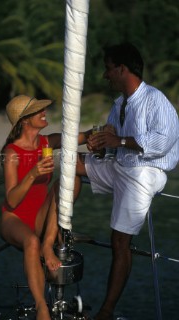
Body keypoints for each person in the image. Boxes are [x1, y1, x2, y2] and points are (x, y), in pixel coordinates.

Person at [76, 42, 179, 320]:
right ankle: (59, 231)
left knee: (119, 241)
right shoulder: (119, 104)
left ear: (122, 69)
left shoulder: (156, 99)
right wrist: (102, 146)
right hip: (119, 165)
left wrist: (118, 140)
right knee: (71, 163)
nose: (105, 75)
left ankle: (106, 311)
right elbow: (112, 145)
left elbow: (163, 141)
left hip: (145, 172)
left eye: (108, 69)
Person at [0, 95, 89, 320]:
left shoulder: (46, 143)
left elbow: (77, 137)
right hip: (14, 218)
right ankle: (41, 307)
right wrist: (33, 173)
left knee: (71, 179)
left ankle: (47, 244)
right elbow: (11, 200)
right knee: (30, 241)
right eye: (38, 111)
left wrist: (97, 135)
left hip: (41, 216)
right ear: (24, 121)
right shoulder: (12, 152)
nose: (44, 113)